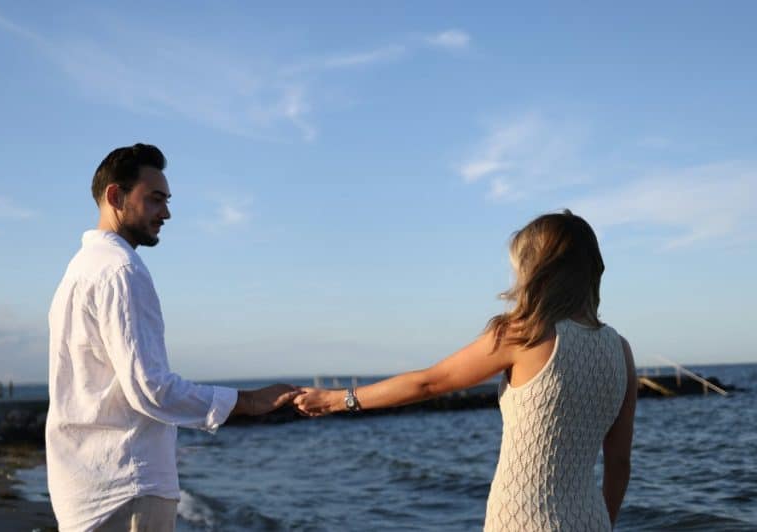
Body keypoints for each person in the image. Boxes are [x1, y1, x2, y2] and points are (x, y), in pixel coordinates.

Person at [295, 210, 637, 531]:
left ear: (538, 270)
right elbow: (619, 462)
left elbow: (429, 383)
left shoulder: (524, 334)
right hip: (593, 520)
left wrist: (336, 400)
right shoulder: (621, 350)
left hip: (523, 520)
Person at [47, 143, 300, 532]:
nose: (166, 212)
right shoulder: (121, 270)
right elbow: (150, 388)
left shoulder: (79, 268)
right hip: (126, 486)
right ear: (115, 196)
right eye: (154, 199)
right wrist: (250, 401)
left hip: (84, 485)